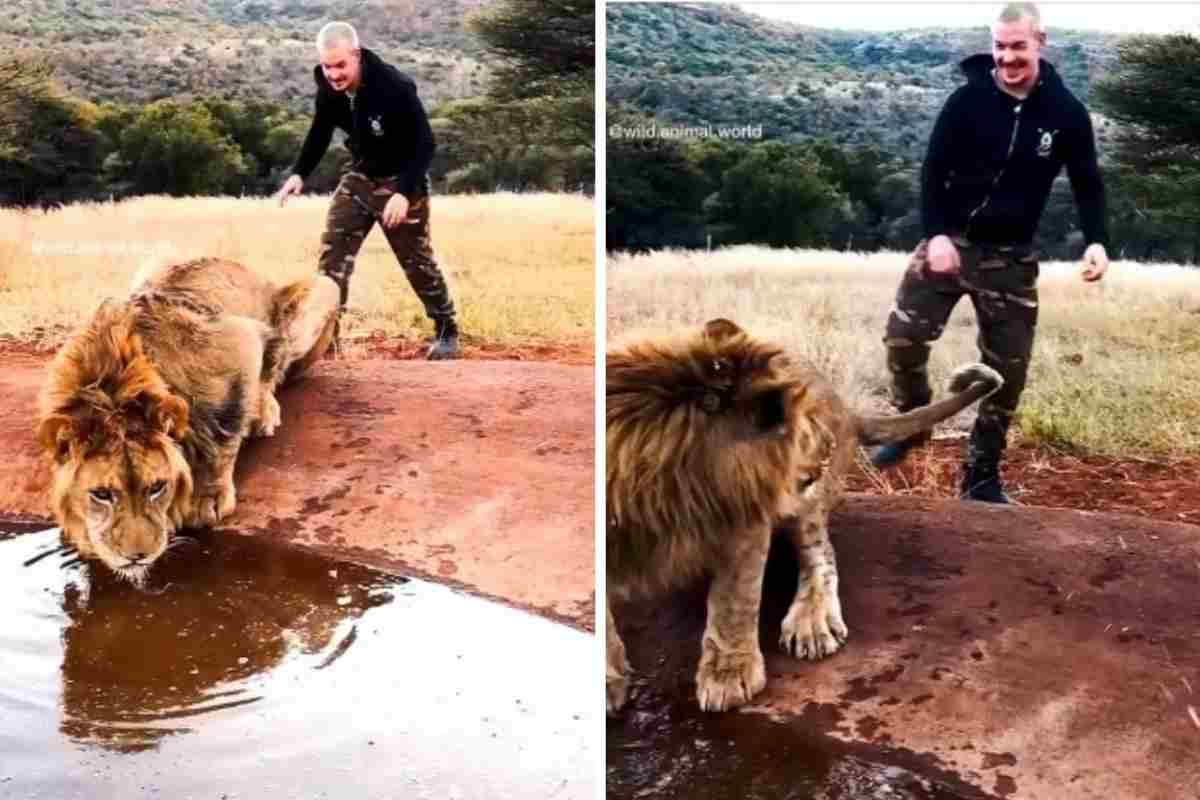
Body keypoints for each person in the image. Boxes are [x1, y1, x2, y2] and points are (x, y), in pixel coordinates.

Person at [872, 1, 1109, 503]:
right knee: (902, 340)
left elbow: (1088, 182)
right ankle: (912, 423)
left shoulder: (1066, 115)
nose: (1006, 57)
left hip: (1011, 259)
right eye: (999, 46)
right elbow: (932, 172)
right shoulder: (967, 102)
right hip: (948, 245)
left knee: (1007, 374)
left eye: (1018, 46)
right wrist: (936, 234)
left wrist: (1096, 240)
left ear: (1040, 43)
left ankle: (981, 477)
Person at [277, 21, 460, 360]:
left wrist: (404, 192)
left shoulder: (394, 87)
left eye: (340, 65)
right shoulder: (328, 85)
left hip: (402, 179)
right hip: (361, 176)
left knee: (416, 261)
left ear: (356, 56)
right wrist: (299, 173)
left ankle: (447, 328)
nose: (333, 74)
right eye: (327, 66)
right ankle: (325, 340)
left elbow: (425, 144)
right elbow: (320, 129)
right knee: (332, 258)